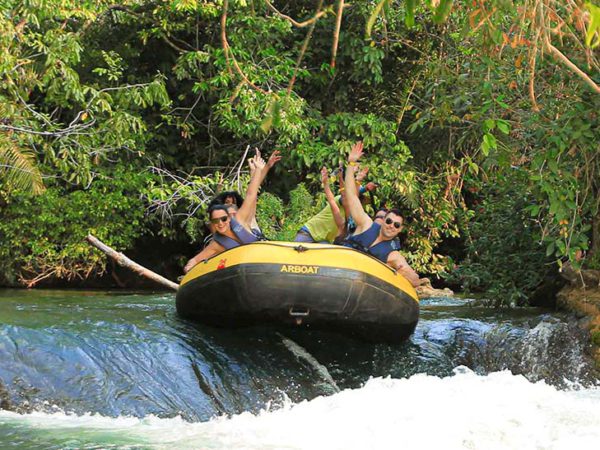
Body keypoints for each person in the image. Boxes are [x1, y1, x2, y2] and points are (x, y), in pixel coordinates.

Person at [183, 150, 280, 273]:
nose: (220, 223)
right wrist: (188, 268)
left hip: (262, 262)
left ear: (229, 218)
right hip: (243, 271)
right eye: (215, 221)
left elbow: (251, 194)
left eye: (223, 219)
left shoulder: (240, 219)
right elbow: (195, 260)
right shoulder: (217, 244)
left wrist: (260, 169)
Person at [342, 141, 422, 287]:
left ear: (400, 230)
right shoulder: (365, 224)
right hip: (342, 267)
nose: (391, 226)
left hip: (360, 283)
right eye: (389, 221)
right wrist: (351, 164)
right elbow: (351, 196)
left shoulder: (393, 255)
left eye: (396, 225)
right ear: (383, 220)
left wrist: (412, 278)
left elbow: (411, 274)